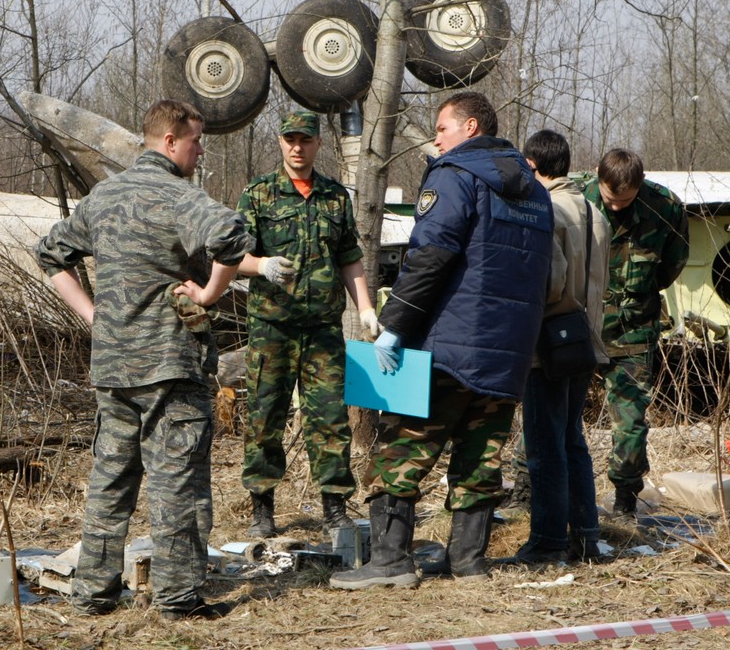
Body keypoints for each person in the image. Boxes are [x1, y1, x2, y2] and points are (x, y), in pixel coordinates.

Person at [33, 99, 254, 620]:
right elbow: (232, 237)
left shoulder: (104, 196)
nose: (201, 152)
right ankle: (177, 598)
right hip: (169, 366)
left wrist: (94, 317)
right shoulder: (180, 196)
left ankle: (93, 594)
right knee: (178, 483)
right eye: (196, 142)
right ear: (170, 142)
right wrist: (209, 295)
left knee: (110, 481)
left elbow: (49, 254)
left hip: (113, 366)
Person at [330, 91, 553, 591]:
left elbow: (430, 256)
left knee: (401, 450)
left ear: (471, 127)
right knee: (481, 455)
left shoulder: (455, 176)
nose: (436, 139)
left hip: (450, 348)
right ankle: (468, 562)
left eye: (442, 128)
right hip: (508, 352)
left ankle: (390, 560)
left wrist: (395, 325)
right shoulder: (535, 192)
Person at [236, 110, 381, 537]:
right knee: (265, 417)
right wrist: (261, 265)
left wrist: (366, 309)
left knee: (330, 419)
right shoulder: (259, 194)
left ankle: (334, 508)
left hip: (322, 330)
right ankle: (262, 509)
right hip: (272, 328)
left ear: (318, 143)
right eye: (290, 140)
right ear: (280, 142)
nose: (297, 147)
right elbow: (232, 256)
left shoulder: (335, 197)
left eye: (305, 140)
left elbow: (349, 257)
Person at [509, 130, 611, 565]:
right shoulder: (594, 211)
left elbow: (550, 283)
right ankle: (586, 536)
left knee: (544, 445)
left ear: (532, 165)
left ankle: (548, 541)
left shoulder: (544, 210)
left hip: (548, 345)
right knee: (572, 440)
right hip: (585, 342)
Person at [583, 148, 689, 518]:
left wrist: (636, 296)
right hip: (579, 327)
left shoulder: (665, 207)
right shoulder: (576, 199)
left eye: (624, 201)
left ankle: (625, 499)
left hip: (633, 331)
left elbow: (673, 263)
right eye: (610, 199)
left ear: (640, 186)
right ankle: (528, 489)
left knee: (630, 423)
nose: (615, 207)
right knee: (552, 410)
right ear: (598, 178)